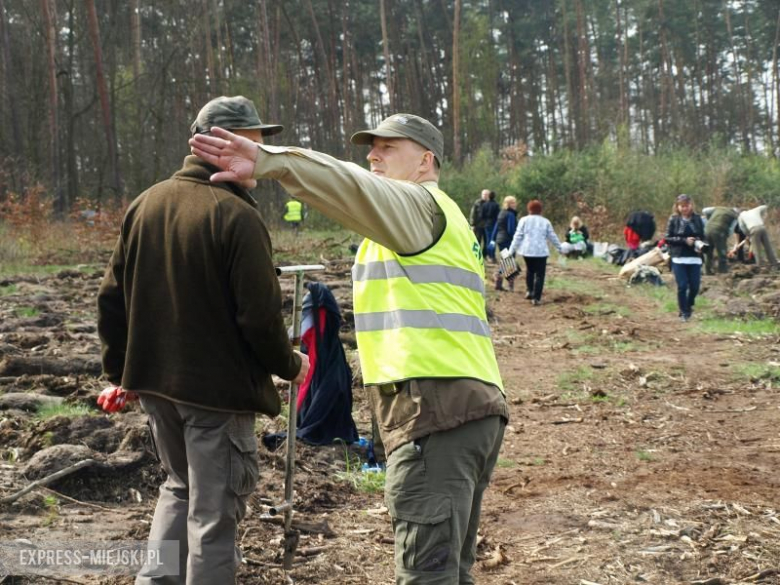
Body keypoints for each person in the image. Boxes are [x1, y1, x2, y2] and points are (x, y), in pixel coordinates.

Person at [190, 113, 508, 585]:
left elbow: (350, 186)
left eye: (388, 148)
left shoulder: (419, 207)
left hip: (437, 414)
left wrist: (271, 160)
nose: (372, 155)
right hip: (462, 411)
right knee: (449, 571)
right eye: (370, 147)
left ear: (425, 161)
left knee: (426, 575)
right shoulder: (436, 218)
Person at [97, 96, 309, 585]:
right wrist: (289, 364)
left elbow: (111, 300)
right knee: (214, 517)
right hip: (215, 396)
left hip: (155, 387)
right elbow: (259, 317)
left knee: (179, 489)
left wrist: (121, 373)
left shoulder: (145, 204)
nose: (260, 156)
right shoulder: (236, 216)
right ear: (223, 144)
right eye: (255, 143)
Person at [507, 199, 562, 305]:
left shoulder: (523, 220)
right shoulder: (545, 222)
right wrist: (560, 248)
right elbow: (552, 236)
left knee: (530, 271)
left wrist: (511, 250)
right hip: (541, 251)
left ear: (529, 209)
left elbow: (518, 236)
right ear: (540, 210)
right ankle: (536, 298)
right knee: (540, 274)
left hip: (527, 251)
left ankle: (529, 291)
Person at [664, 194, 706, 322]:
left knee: (694, 287)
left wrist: (699, 242)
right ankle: (684, 312)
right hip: (679, 257)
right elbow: (667, 238)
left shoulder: (698, 219)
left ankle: (689, 304)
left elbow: (703, 235)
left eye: (687, 205)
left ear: (691, 205)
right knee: (682, 286)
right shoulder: (674, 219)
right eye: (682, 206)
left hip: (695, 257)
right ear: (677, 207)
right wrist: (684, 240)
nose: (685, 208)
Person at [490, 195, 518, 291]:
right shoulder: (510, 214)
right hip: (507, 240)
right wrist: (516, 239)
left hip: (500, 240)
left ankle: (500, 284)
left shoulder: (501, 213)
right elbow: (511, 230)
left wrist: (492, 239)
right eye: (514, 203)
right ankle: (501, 279)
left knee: (507, 261)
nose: (515, 204)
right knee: (509, 261)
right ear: (510, 204)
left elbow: (496, 227)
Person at [701, 206, 739, 274]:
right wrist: (725, 237)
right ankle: (722, 271)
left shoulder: (718, 208)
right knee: (722, 252)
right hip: (720, 231)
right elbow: (731, 229)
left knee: (708, 251)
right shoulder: (734, 216)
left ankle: (707, 271)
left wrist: (709, 219)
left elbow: (704, 210)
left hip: (707, 229)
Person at [481, 190, 500, 261]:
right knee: (492, 240)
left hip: (486, 225)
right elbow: (498, 216)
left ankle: (488, 255)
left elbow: (481, 215)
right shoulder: (496, 205)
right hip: (494, 224)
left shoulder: (484, 205)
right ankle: (492, 255)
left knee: (488, 240)